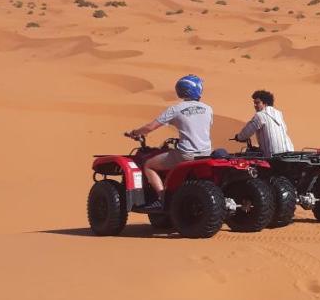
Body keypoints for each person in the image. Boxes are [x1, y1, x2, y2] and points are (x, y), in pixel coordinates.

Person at [126, 74, 213, 209]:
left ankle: (163, 199)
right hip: (206, 153)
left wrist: (135, 133)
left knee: (149, 165)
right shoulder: (208, 109)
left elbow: (150, 127)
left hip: (185, 154)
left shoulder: (176, 109)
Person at [234, 89, 294, 155]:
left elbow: (247, 131)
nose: (255, 105)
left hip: (273, 155)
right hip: (289, 151)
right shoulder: (279, 114)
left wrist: (239, 137)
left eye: (257, 103)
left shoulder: (260, 115)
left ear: (265, 103)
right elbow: (285, 129)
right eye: (254, 103)